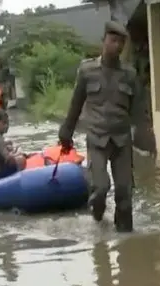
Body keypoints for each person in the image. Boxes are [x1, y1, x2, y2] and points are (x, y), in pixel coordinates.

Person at [57, 20, 143, 232]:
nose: (117, 46)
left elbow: (139, 110)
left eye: (121, 42)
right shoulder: (87, 71)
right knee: (101, 187)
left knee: (124, 192)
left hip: (122, 139)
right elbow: (75, 104)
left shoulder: (129, 75)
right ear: (103, 40)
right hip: (97, 138)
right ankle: (97, 218)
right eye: (113, 41)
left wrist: (144, 137)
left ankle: (126, 243)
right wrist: (65, 134)